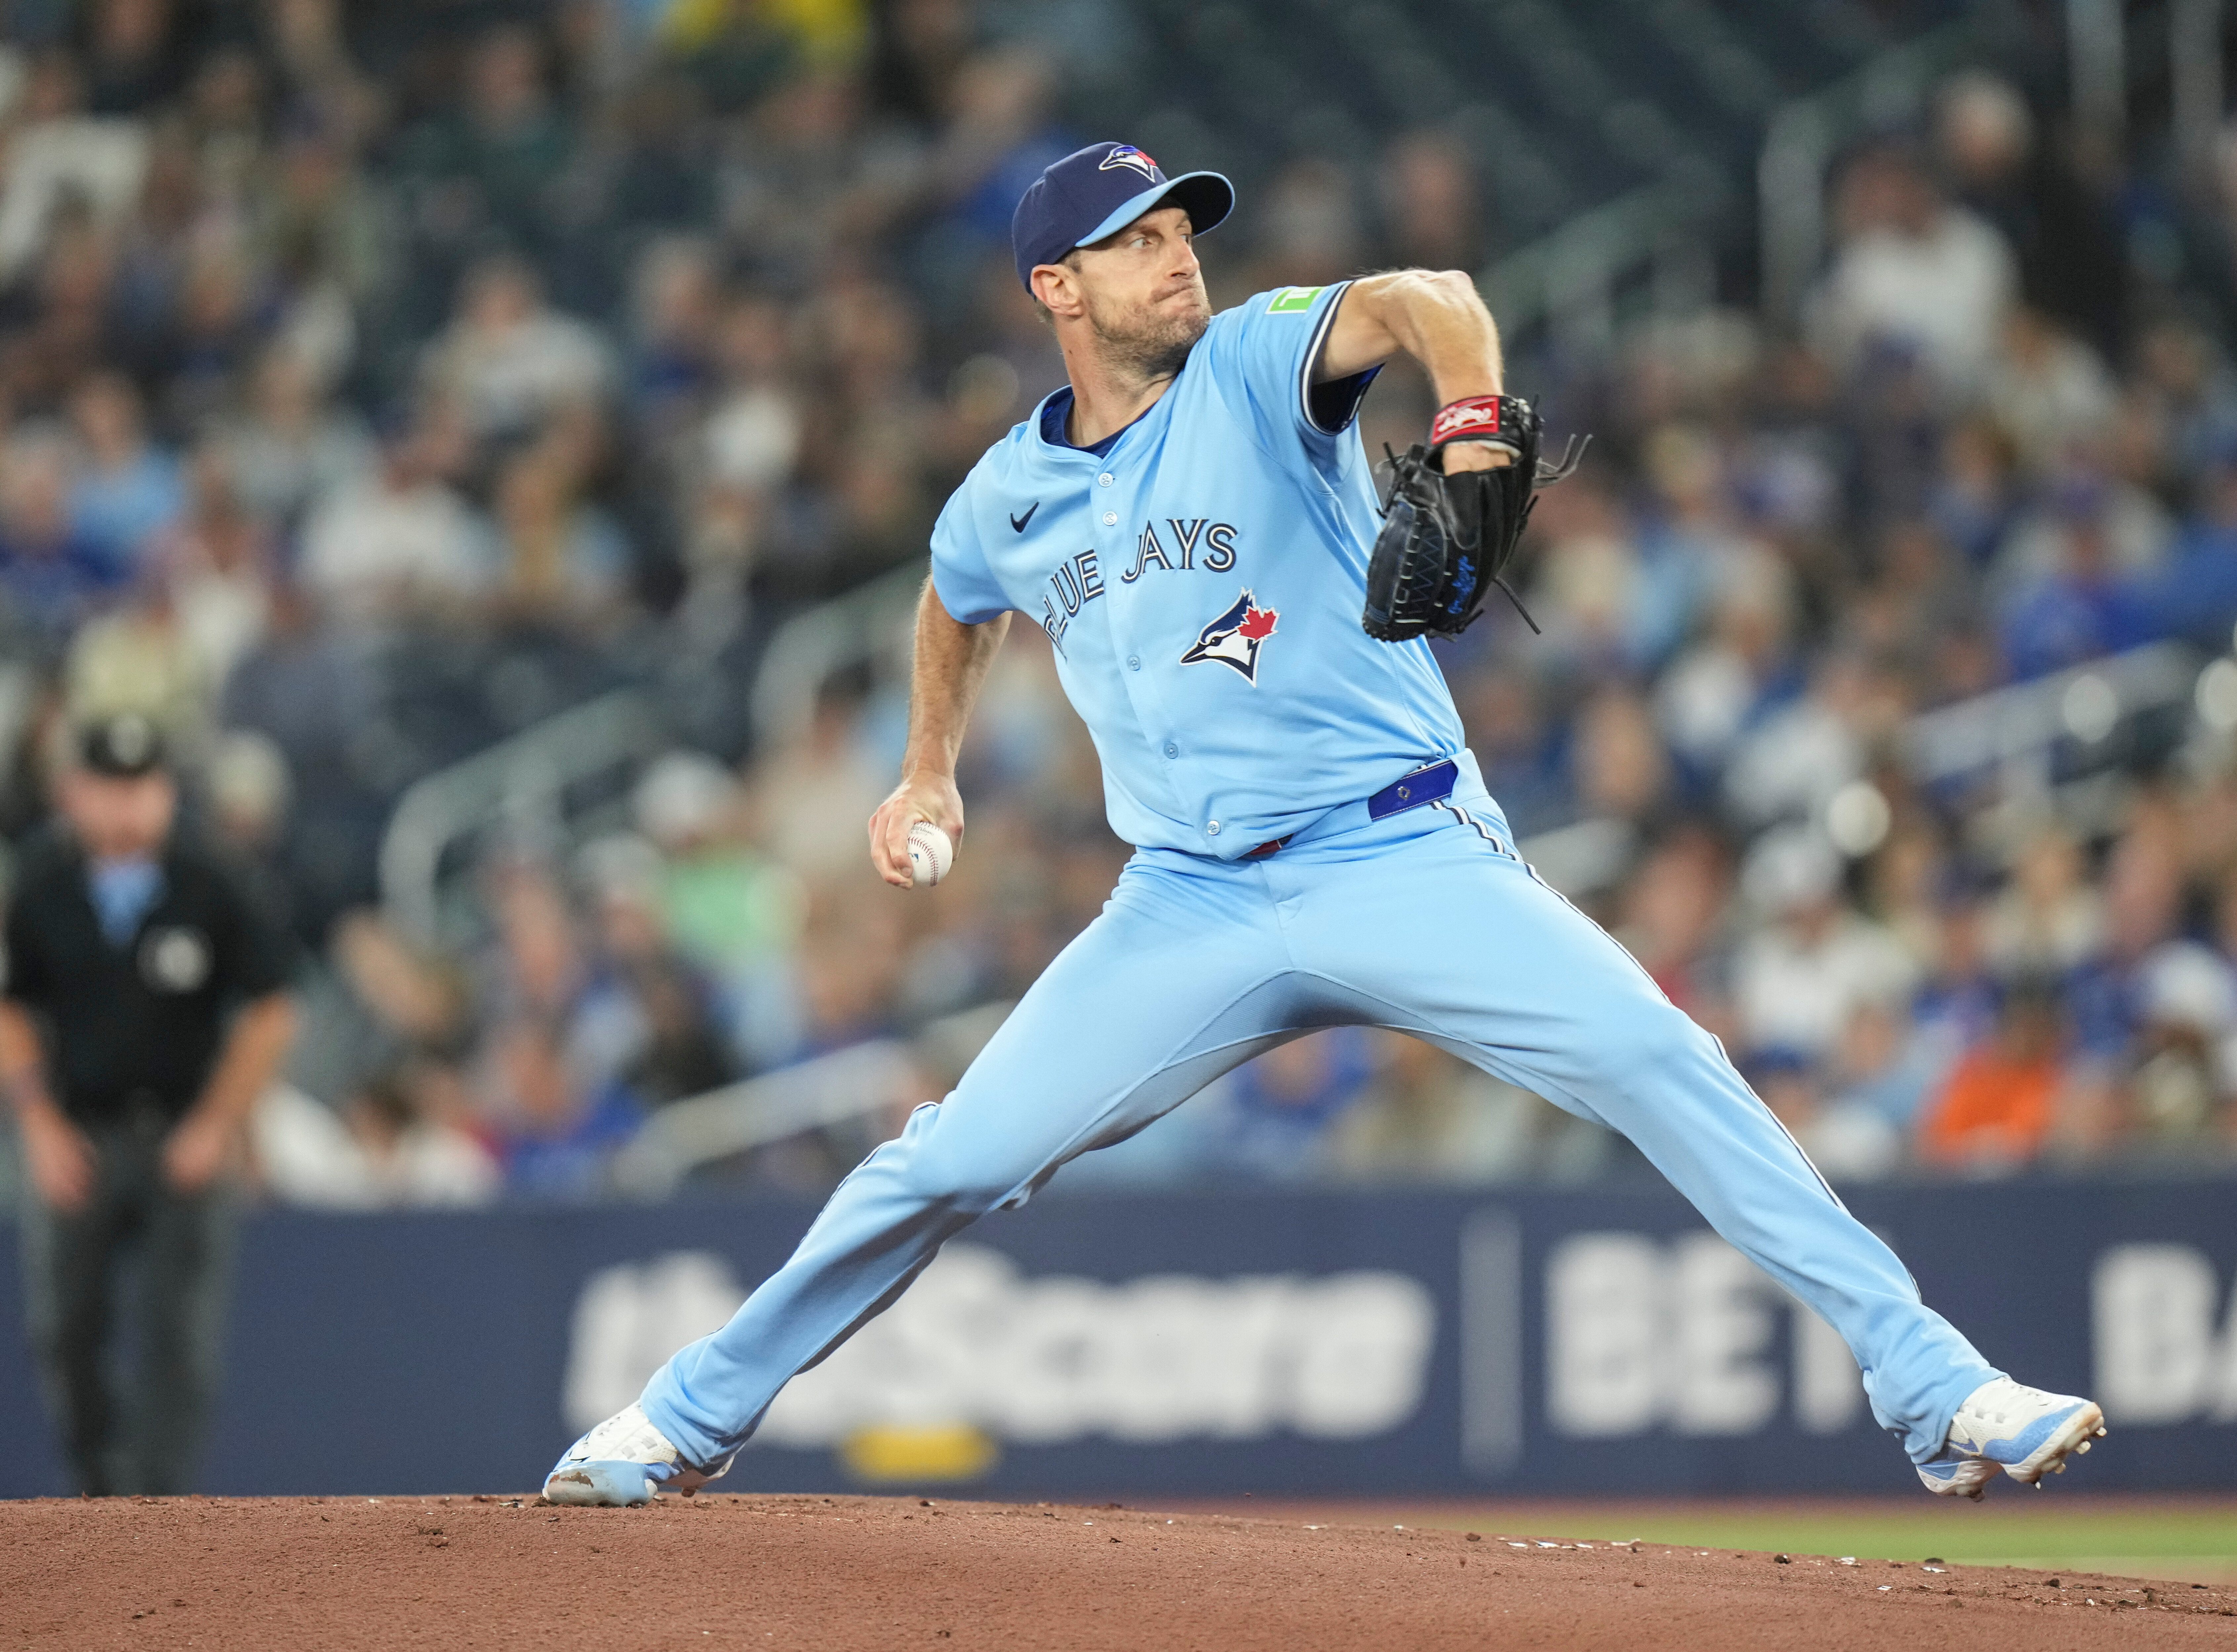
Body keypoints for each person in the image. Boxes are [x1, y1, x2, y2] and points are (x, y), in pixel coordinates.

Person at [546, 143, 2107, 1506]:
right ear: (1055, 289)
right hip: (1187, 906)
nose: (1178, 256)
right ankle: (679, 1415)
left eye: (1181, 230)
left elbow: (1422, 292)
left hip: (1401, 851)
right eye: (1137, 240)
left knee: (1657, 1054)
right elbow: (953, 605)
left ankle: (1933, 1384)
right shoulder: (1005, 494)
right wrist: (929, 768)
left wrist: (1476, 405)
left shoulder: (1251, 365)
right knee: (947, 1157)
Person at [2, 713, 298, 1495]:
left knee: (180, 1336)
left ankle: (159, 1504)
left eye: (144, 787)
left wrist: (215, 1123)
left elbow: (273, 1006)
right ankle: (98, 1491)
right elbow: (9, 1004)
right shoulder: (41, 880)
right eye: (110, 787)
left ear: (168, 792)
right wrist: (36, 1123)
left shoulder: (212, 876)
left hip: (182, 1134)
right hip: (80, 1132)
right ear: (73, 792)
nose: (127, 806)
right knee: (67, 1328)